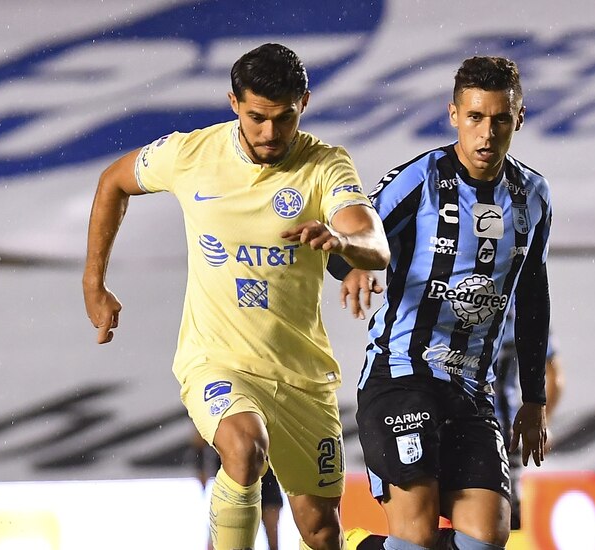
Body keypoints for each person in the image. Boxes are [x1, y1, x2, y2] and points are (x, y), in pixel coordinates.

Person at [83, 43, 389, 550]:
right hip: (216, 360)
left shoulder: (326, 164)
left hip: (300, 376)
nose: (270, 133)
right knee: (243, 448)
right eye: (257, 118)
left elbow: (374, 244)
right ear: (233, 103)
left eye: (284, 118)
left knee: (320, 532)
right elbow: (112, 181)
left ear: (305, 103)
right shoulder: (190, 154)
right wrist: (94, 284)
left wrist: (344, 243)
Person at [336, 56, 552, 550]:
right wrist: (355, 263)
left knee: (485, 538)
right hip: (401, 375)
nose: (487, 134)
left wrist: (535, 397)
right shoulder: (419, 180)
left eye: (500, 119)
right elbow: (355, 237)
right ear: (454, 114)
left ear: (519, 118)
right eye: (475, 117)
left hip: (473, 388)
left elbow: (533, 295)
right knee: (416, 538)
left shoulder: (533, 195)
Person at [491, 312, 564, 530]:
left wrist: (542, 421)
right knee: (503, 515)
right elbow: (556, 378)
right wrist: (542, 420)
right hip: (503, 431)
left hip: (476, 428)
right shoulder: (524, 310)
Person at [192, 430, 285, 550]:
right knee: (220, 538)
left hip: (264, 481)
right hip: (232, 482)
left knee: (272, 539)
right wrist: (200, 470)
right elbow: (199, 440)